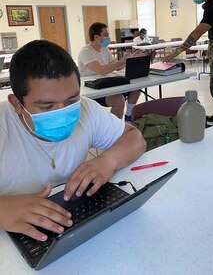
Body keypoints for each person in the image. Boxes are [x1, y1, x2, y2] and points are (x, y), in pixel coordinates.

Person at [0, 40, 146, 242]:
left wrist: (107, 160)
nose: (62, 112)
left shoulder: (86, 109)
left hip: (73, 221)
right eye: (47, 106)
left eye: (71, 101)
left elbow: (134, 138)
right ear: (17, 103)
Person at [78, 22, 144, 122]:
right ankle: (115, 130)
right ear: (96, 37)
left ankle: (129, 116)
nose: (108, 37)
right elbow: (101, 70)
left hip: (108, 83)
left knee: (136, 88)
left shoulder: (104, 50)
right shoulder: (85, 52)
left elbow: (116, 67)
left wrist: (130, 59)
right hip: (94, 90)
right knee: (118, 100)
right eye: (106, 35)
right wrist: (123, 61)